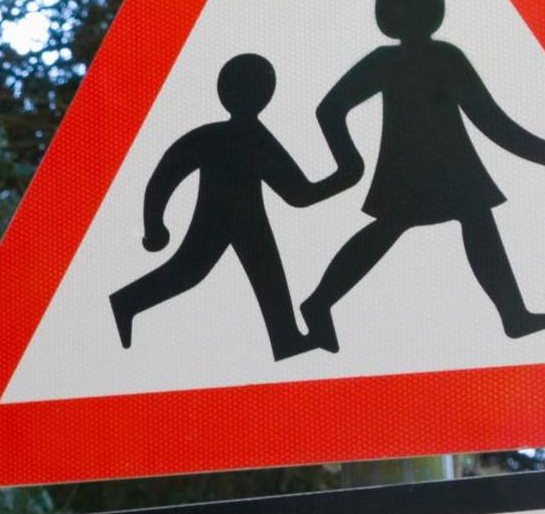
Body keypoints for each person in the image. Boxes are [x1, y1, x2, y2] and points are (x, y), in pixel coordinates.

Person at [299, 0, 545, 352]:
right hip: (428, 167)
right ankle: (318, 302)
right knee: (414, 227)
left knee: (464, 222)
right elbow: (488, 117)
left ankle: (514, 315)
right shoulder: (434, 57)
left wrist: (348, 162)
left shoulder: (397, 60)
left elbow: (486, 116)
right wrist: (542, 152)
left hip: (441, 166)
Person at [111, 53, 361, 359]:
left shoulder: (211, 135)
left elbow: (164, 176)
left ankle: (286, 338)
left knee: (257, 275)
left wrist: (155, 227)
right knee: (191, 272)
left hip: (244, 220)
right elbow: (299, 194)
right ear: (266, 94)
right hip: (224, 220)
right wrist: (346, 176)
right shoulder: (252, 137)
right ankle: (125, 302)